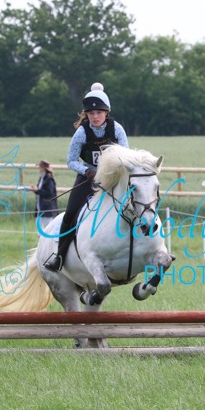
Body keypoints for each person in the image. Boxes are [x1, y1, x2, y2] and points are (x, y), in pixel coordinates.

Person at [43, 82, 129, 272]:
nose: (95, 117)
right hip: (88, 178)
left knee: (137, 205)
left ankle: (149, 247)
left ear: (106, 113)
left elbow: (126, 157)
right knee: (71, 212)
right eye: (91, 113)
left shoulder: (117, 130)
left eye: (99, 112)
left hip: (113, 178)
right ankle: (59, 256)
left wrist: (111, 171)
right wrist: (87, 171)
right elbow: (71, 160)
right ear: (86, 114)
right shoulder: (81, 132)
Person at [29, 160, 58, 230]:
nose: (39, 169)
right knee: (39, 227)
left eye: (40, 167)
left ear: (43, 168)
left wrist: (37, 190)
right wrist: (35, 190)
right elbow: (40, 191)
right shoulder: (41, 178)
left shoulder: (49, 180)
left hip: (47, 208)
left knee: (49, 229)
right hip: (40, 207)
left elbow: (49, 193)